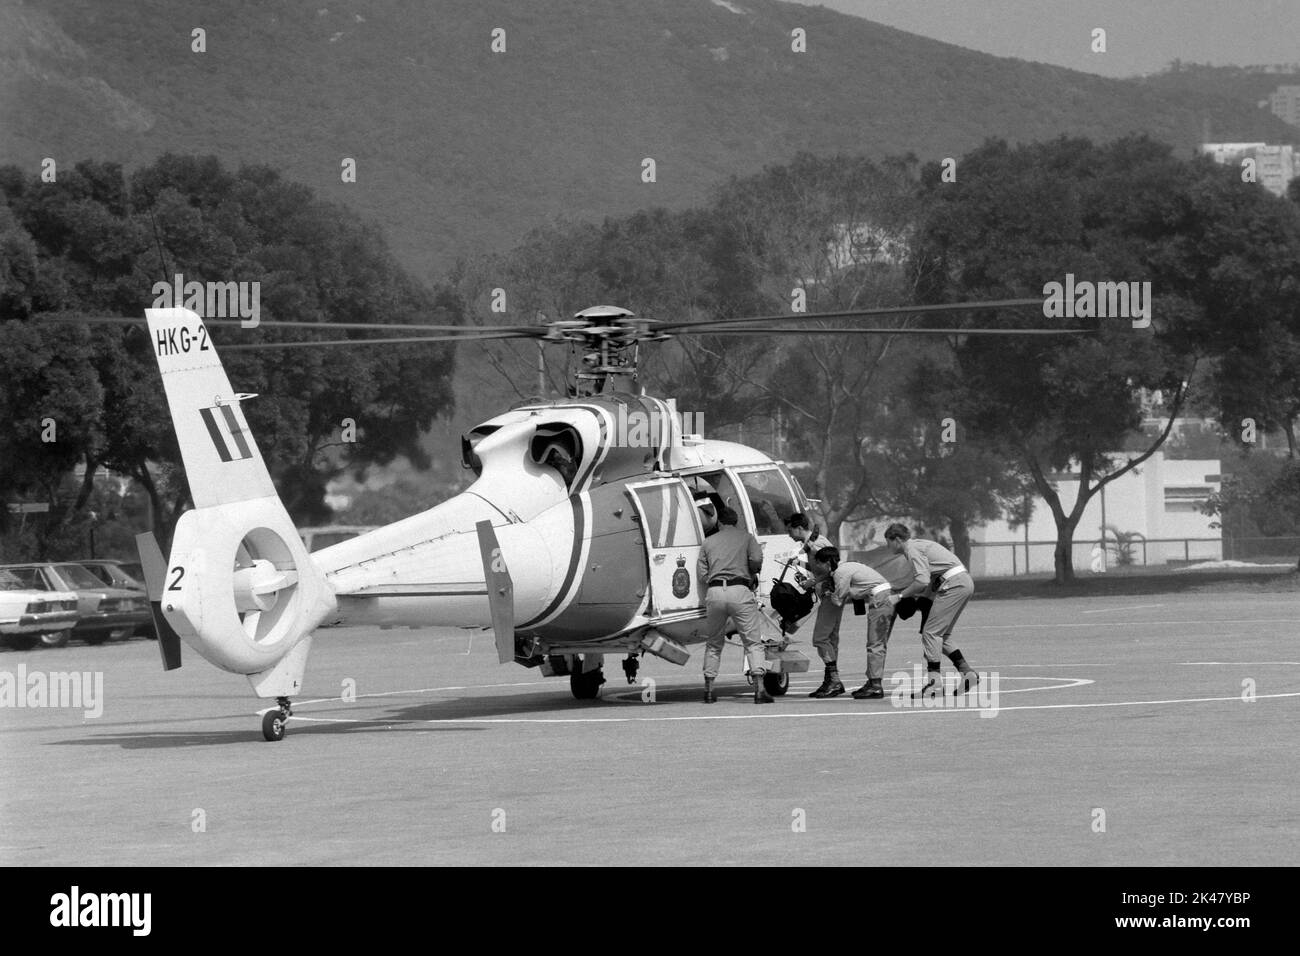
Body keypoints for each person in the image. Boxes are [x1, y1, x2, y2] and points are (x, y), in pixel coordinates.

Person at [884, 523, 977, 698]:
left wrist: (900, 596)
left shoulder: (911, 549)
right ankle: (968, 674)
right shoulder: (919, 545)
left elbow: (921, 580)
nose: (888, 546)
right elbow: (932, 577)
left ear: (896, 539)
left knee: (930, 633)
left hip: (953, 584)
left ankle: (933, 684)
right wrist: (922, 601)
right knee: (943, 636)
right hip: (961, 582)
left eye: (888, 541)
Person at [698, 506, 771, 704]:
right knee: (752, 643)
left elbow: (702, 573)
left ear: (719, 522)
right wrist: (752, 572)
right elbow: (756, 559)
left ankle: (709, 690)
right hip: (740, 590)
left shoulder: (708, 542)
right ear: (736, 521)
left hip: (714, 592)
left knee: (713, 643)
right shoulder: (747, 538)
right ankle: (759, 690)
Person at [807, 546, 895, 700]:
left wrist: (827, 592)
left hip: (881, 600)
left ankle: (875, 685)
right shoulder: (844, 568)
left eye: (819, 563)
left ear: (827, 562)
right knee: (875, 643)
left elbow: (838, 600)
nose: (817, 567)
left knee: (875, 643)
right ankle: (872, 682)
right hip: (881, 597)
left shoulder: (841, 573)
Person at [783, 513, 842, 697]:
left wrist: (813, 581)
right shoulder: (811, 545)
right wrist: (800, 563)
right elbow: (819, 567)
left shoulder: (817, 545)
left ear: (799, 528)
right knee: (830, 639)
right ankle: (830, 680)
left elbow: (834, 570)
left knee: (821, 638)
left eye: (790, 530)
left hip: (830, 593)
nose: (789, 535)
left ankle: (834, 681)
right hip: (826, 593)